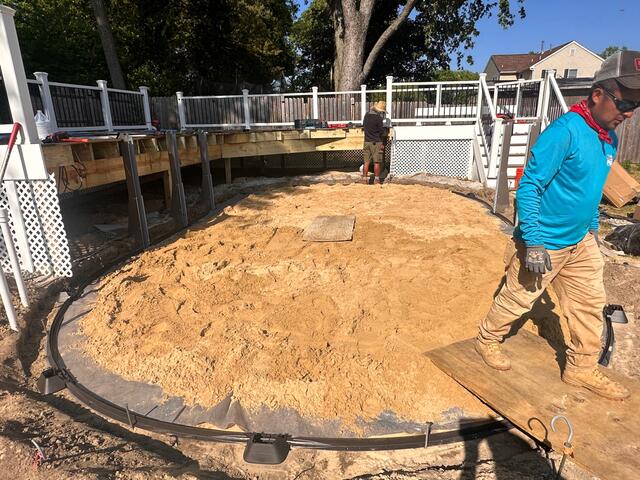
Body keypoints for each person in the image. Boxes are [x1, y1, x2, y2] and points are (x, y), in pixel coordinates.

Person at [475, 50, 640, 400]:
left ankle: (580, 369)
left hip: (580, 242)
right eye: (624, 103)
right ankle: (486, 340)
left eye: (635, 107)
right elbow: (530, 187)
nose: (627, 114)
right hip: (544, 242)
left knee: (589, 305)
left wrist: (592, 229)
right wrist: (533, 242)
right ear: (598, 95)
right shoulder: (564, 133)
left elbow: (591, 188)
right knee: (519, 298)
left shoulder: (607, 137)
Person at [362, 101, 388, 184]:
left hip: (366, 141)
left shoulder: (366, 115)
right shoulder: (378, 118)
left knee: (366, 162)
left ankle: (364, 179)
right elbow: (381, 132)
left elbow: (364, 126)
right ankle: (376, 180)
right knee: (377, 162)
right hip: (376, 142)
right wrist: (383, 142)